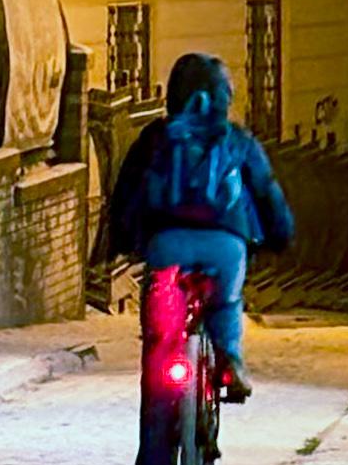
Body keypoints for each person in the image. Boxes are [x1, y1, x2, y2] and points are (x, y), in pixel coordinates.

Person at [109, 52, 294, 398]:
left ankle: (159, 371)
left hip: (166, 244)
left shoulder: (156, 137)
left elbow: (126, 192)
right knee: (226, 304)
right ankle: (230, 363)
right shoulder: (237, 139)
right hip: (225, 244)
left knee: (159, 322)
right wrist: (279, 237)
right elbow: (266, 192)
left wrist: (119, 240)